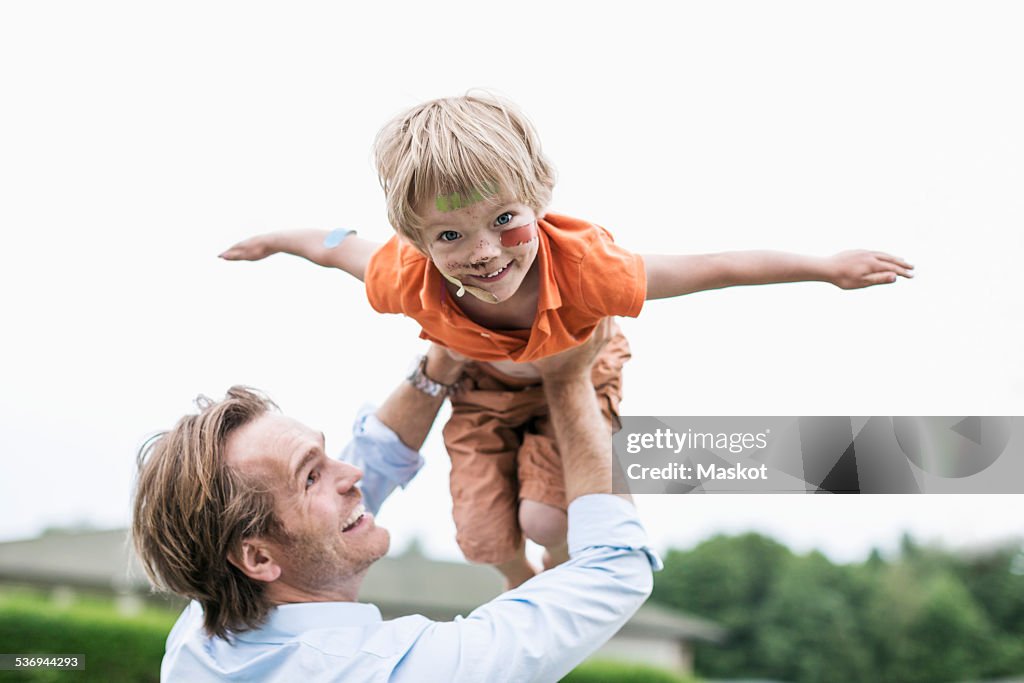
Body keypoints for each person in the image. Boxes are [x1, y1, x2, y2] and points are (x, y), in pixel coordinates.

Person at [220, 92, 914, 588]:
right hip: (483, 392)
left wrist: (826, 269)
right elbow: (333, 244)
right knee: (483, 538)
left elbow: (714, 267)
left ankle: (561, 556)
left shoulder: (588, 268)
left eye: (505, 219)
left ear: (539, 195)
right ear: (417, 239)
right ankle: (522, 581)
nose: (486, 252)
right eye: (451, 235)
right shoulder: (405, 276)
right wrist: (276, 240)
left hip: (578, 372)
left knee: (548, 517)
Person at [131, 328, 660, 682]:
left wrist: (442, 359)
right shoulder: (392, 671)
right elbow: (616, 568)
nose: (352, 472)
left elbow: (370, 463)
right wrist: (570, 381)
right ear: (259, 559)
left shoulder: (202, 639)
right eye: (313, 475)